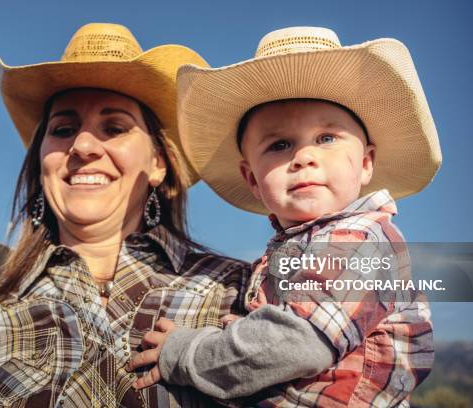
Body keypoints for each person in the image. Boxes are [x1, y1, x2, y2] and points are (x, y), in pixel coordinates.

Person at [0, 22, 251, 407]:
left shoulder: (236, 289)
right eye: (63, 129)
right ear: (41, 161)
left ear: (159, 163)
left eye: (114, 127)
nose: (82, 145)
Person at [131, 27, 441, 407]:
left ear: (365, 163)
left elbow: (297, 343)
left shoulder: (361, 238)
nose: (304, 157)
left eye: (327, 138)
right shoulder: (288, 253)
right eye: (279, 145)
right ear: (253, 180)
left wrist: (187, 352)